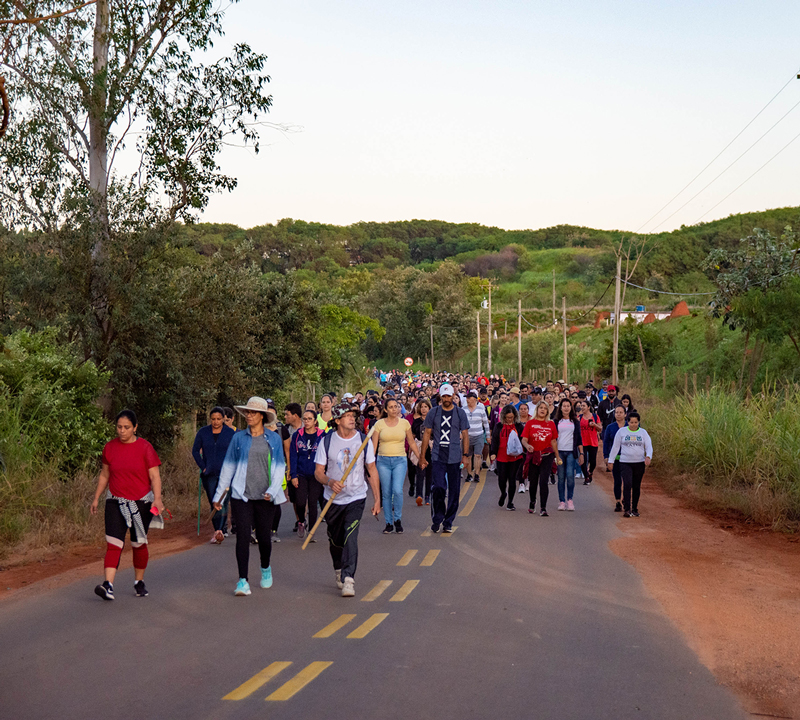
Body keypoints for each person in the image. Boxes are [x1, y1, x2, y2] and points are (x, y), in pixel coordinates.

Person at [213, 397, 286, 596]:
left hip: (265, 497)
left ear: (262, 416)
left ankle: (265, 568)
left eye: (253, 413)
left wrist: (272, 490)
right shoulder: (238, 439)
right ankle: (242, 581)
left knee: (263, 537)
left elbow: (279, 467)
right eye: (247, 412)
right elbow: (228, 467)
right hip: (241, 495)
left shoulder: (273, 439)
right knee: (243, 537)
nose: (249, 416)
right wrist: (219, 495)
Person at [90, 410, 164, 600]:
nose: (122, 431)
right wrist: (97, 497)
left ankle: (139, 582)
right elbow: (105, 475)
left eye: (126, 428)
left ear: (135, 428)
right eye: (119, 427)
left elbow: (154, 476)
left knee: (138, 543)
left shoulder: (145, 448)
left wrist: (157, 498)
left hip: (141, 502)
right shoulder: (110, 448)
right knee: (114, 543)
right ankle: (108, 585)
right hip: (115, 500)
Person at [315, 402, 381, 597]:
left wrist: (377, 499)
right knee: (335, 539)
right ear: (337, 420)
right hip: (332, 499)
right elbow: (318, 472)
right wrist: (329, 481)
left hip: (356, 496)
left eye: (354, 415)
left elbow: (372, 470)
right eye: (348, 416)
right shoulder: (326, 442)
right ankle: (338, 569)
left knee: (350, 535)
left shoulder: (363, 440)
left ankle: (349, 578)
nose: (353, 418)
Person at [420, 383, 470, 533]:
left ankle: (448, 521)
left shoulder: (460, 413)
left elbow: (466, 435)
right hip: (437, 456)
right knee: (439, 487)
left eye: (449, 396)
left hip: (455, 457)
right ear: (440, 397)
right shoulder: (433, 413)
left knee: (454, 491)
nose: (447, 398)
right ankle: (437, 518)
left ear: (453, 396)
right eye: (444, 396)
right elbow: (427, 434)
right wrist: (422, 456)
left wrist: (465, 455)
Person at [372, 398, 420, 534]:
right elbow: (374, 446)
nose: (394, 409)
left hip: (400, 460)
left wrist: (420, 457)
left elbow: (411, 442)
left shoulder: (404, 423)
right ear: (386, 410)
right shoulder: (379, 424)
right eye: (391, 407)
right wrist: (370, 464)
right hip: (383, 461)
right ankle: (388, 522)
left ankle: (397, 519)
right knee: (386, 493)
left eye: (396, 406)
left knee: (397, 490)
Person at [192, 406, 235, 544]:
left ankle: (219, 531)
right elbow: (195, 451)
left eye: (218, 419)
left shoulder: (230, 433)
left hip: (226, 473)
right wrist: (203, 467)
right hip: (209, 473)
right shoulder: (203, 432)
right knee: (214, 501)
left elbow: (236, 452)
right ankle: (218, 529)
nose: (216, 422)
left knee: (223, 501)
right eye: (213, 419)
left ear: (223, 419)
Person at [608, 411, 653, 518]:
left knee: (636, 486)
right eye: (631, 422)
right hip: (625, 462)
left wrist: (648, 456)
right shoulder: (622, 432)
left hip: (639, 463)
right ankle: (627, 509)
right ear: (627, 422)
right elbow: (615, 447)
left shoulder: (643, 433)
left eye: (635, 422)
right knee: (627, 484)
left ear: (638, 422)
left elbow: (649, 446)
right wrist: (611, 461)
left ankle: (635, 508)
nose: (633, 424)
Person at [289, 409, 325, 540]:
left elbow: (326, 454)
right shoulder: (297, 435)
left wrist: (325, 473)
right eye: (305, 419)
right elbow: (293, 455)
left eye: (310, 419)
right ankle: (301, 521)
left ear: (315, 421)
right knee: (300, 502)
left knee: (313, 502)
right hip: (301, 473)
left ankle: (312, 531)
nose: (307, 421)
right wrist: (293, 475)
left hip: (316, 474)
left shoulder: (322, 435)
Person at [521, 401, 560, 516]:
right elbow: (524, 439)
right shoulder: (530, 423)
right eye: (541, 408)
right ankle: (532, 501)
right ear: (537, 410)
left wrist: (557, 456)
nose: (543, 410)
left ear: (548, 411)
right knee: (533, 482)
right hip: (534, 455)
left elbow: (554, 441)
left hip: (547, 456)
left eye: (545, 408)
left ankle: (543, 507)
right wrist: (527, 446)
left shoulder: (551, 424)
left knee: (544, 481)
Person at [489, 405, 524, 510]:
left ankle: (510, 502)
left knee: (512, 479)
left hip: (515, 457)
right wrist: (493, 453)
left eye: (511, 417)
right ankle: (503, 493)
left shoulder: (518, 426)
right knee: (502, 478)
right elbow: (495, 440)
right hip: (501, 456)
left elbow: (523, 439)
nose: (509, 419)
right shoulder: (499, 426)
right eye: (507, 417)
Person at [554, 399, 583, 511]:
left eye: (568, 406)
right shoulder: (556, 421)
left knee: (570, 476)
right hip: (559, 452)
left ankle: (569, 499)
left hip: (571, 452)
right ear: (560, 408)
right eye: (564, 406)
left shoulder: (575, 422)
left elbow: (579, 438)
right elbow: (553, 439)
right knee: (561, 477)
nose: (566, 408)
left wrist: (581, 453)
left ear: (571, 408)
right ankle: (562, 501)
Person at [603, 405, 629, 513]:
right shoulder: (610, 427)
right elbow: (606, 442)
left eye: (621, 412)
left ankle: (626, 499)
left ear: (625, 414)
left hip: (628, 458)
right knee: (617, 480)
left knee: (627, 481)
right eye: (616, 412)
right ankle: (618, 501)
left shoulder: (630, 426)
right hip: (615, 458)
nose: (618, 414)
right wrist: (606, 457)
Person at [464, 391, 490, 483]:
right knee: (468, 456)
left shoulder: (481, 409)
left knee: (478, 455)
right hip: (467, 436)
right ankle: (469, 474)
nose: (467, 400)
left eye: (469, 398)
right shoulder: (463, 409)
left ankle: (477, 474)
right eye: (466, 398)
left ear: (474, 399)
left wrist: (488, 436)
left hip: (478, 435)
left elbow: (486, 424)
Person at [411, 398, 433, 506]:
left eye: (425, 407)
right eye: (422, 407)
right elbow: (413, 436)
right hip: (419, 448)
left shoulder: (433, 420)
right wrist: (411, 451)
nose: (423, 409)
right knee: (420, 472)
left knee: (429, 473)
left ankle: (428, 496)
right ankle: (419, 494)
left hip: (431, 448)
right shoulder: (416, 421)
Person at [578, 400, 601, 485]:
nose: (582, 407)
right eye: (581, 406)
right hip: (583, 442)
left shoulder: (595, 416)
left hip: (593, 442)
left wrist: (594, 425)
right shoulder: (579, 417)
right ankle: (586, 477)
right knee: (583, 460)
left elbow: (600, 428)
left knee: (593, 461)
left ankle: (590, 472)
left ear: (588, 407)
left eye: (584, 406)